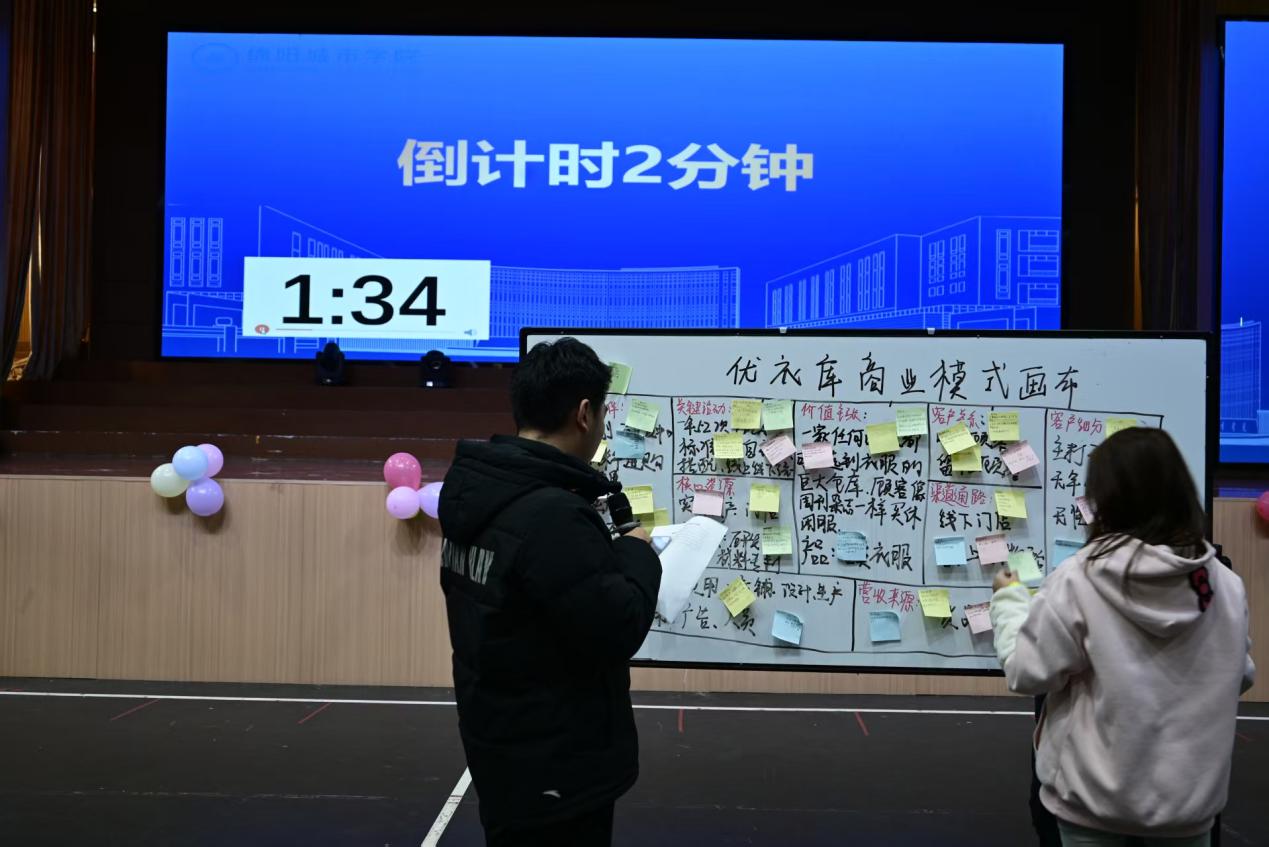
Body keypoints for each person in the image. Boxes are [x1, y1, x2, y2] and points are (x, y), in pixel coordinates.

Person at [437, 337, 662, 846]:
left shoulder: (476, 491)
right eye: (602, 412)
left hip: (500, 742)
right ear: (584, 414)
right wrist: (637, 553)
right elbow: (620, 624)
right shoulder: (551, 515)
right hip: (556, 761)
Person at [990, 427, 1254, 847]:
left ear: (1106, 499)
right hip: (1189, 810)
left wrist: (1009, 601)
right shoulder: (1223, 584)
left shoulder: (1080, 577)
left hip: (1092, 807)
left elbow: (1027, 672)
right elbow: (1240, 674)